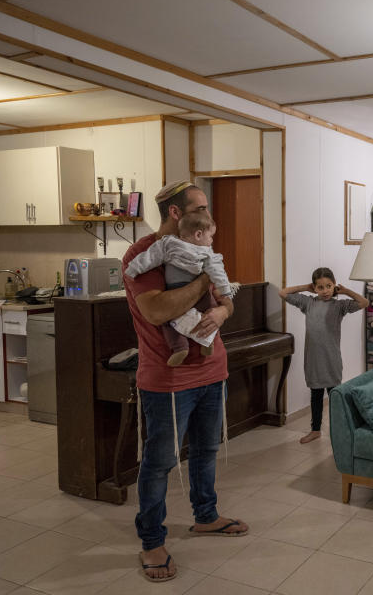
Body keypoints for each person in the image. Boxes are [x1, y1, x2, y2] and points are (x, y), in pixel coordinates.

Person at [123, 180, 248, 583]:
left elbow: (226, 297)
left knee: (206, 450)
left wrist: (224, 312)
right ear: (176, 213)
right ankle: (151, 541)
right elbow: (158, 311)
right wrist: (202, 275)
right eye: (200, 207)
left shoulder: (202, 245)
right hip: (168, 378)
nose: (208, 216)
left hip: (212, 371)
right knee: (159, 463)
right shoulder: (145, 254)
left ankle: (206, 516)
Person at [124, 210, 232, 366]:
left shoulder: (168, 243)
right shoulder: (206, 253)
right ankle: (206, 342)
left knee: (172, 323)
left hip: (175, 286)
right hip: (187, 294)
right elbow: (218, 273)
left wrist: (133, 269)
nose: (211, 241)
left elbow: (149, 258)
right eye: (211, 236)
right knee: (202, 309)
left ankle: (180, 347)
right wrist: (224, 289)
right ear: (198, 234)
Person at [280, 267, 368, 444]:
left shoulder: (340, 306)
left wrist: (346, 291)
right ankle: (315, 430)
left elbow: (364, 302)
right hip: (313, 359)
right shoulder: (308, 303)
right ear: (315, 288)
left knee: (335, 396)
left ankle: (341, 430)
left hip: (331, 359)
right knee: (316, 396)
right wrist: (305, 287)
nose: (325, 290)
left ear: (334, 285)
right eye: (320, 287)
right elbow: (283, 293)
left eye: (329, 286)